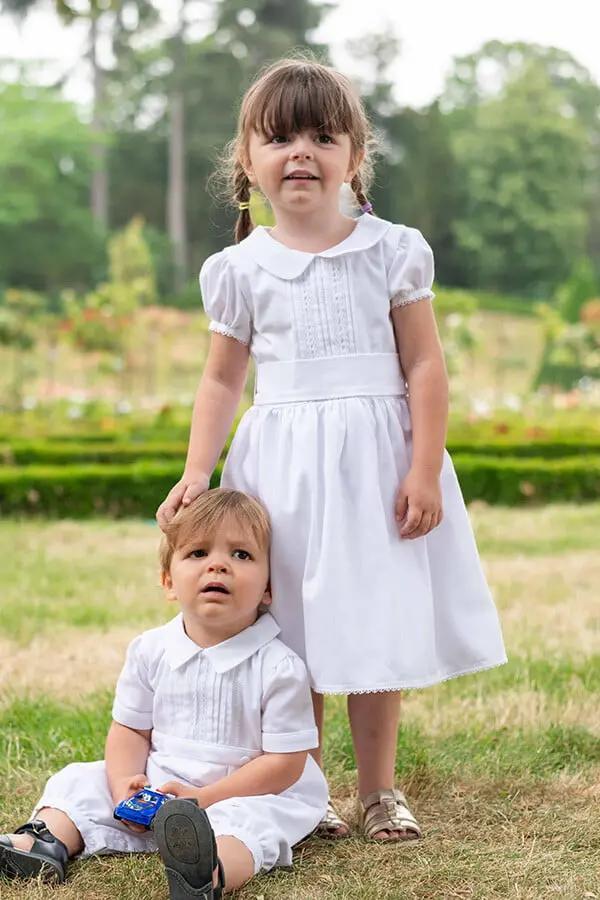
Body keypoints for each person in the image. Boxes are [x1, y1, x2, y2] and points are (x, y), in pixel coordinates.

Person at [156, 57, 507, 843]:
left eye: (323, 135)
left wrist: (423, 468)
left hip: (377, 466)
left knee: (371, 624)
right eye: (279, 138)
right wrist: (195, 472)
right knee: (291, 630)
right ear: (247, 162)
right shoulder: (239, 270)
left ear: (356, 155)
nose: (301, 152)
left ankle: (378, 791)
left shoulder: (392, 251)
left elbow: (424, 364)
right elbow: (221, 381)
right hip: (281, 468)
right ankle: (301, 793)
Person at [0, 489, 328, 898]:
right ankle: (46, 842)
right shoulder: (150, 649)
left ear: (268, 589)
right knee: (81, 781)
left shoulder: (279, 666)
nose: (219, 565)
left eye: (241, 555)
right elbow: (130, 731)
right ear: (169, 581)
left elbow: (285, 763)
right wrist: (124, 789)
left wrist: (205, 799)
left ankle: (207, 871)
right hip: (160, 781)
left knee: (250, 822)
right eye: (198, 553)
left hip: (244, 789)